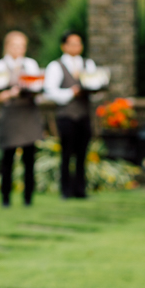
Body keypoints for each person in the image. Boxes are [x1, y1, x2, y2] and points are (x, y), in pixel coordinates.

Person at [44, 31, 98, 199]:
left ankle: (80, 189)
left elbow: (97, 85)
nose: (76, 47)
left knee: (82, 153)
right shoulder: (56, 66)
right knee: (67, 153)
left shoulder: (88, 64)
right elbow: (50, 91)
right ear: (64, 46)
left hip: (83, 115)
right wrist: (71, 93)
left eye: (78, 43)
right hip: (66, 115)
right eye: (72, 43)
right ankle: (65, 190)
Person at [0, 31, 43, 207]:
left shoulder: (30, 64)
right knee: (8, 159)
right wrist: (9, 93)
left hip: (29, 114)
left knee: (30, 159)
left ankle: (28, 198)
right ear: (7, 46)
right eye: (15, 45)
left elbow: (38, 86)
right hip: (11, 116)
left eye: (22, 46)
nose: (19, 49)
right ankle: (5, 198)